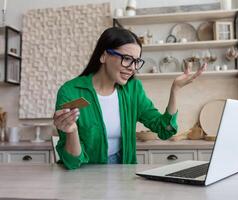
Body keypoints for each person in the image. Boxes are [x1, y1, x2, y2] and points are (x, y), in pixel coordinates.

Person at [53, 27, 207, 169]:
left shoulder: (133, 89)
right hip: (85, 173)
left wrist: (175, 89)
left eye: (136, 61)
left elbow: (164, 129)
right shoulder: (70, 92)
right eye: (126, 59)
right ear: (104, 56)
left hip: (123, 170)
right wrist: (72, 131)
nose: (133, 68)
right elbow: (72, 163)